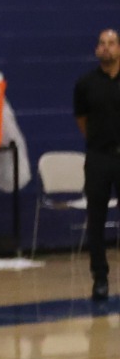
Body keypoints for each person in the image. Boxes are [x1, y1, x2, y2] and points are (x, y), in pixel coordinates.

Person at [72, 28, 120, 302]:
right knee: (97, 221)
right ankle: (100, 278)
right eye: (102, 43)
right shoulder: (86, 84)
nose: (106, 48)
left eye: (112, 43)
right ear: (96, 50)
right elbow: (82, 121)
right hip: (99, 157)